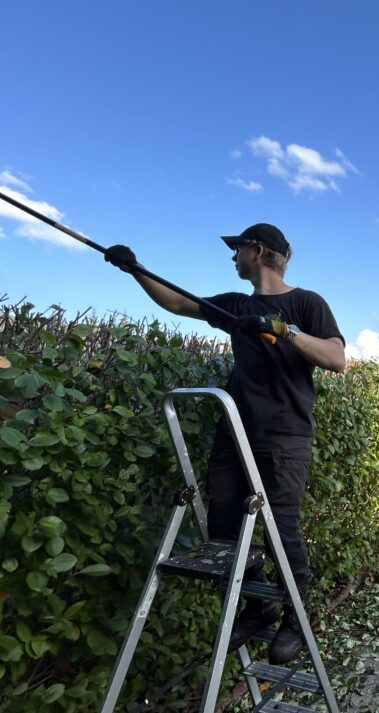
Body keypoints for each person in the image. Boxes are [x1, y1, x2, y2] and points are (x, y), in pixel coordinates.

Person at [103, 223, 345, 665]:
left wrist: (283, 329)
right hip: (235, 432)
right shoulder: (236, 306)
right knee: (225, 528)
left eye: (236, 250)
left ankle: (295, 616)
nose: (232, 258)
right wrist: (135, 270)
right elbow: (179, 302)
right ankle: (258, 608)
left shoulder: (306, 303)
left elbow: (336, 359)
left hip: (285, 434)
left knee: (281, 529)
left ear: (257, 250)